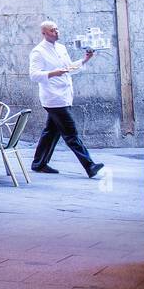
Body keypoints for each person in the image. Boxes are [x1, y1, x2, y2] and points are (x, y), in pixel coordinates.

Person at [28, 20, 104, 178]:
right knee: (71, 134)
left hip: (65, 96)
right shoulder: (38, 52)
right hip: (53, 98)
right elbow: (34, 75)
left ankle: (39, 163)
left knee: (51, 132)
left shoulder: (61, 48)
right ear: (44, 33)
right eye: (52, 30)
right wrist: (53, 73)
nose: (56, 32)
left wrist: (85, 60)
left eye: (56, 29)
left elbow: (68, 69)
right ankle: (89, 166)